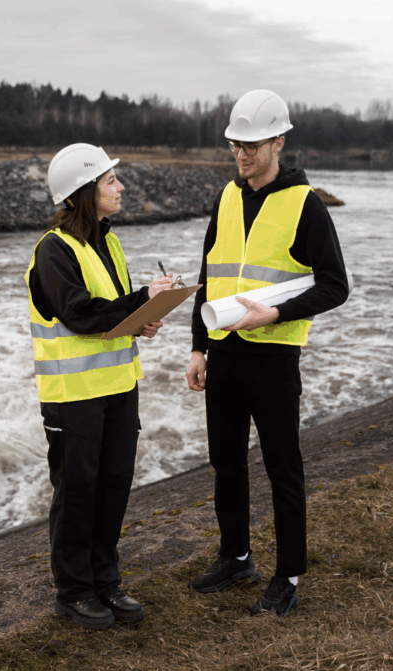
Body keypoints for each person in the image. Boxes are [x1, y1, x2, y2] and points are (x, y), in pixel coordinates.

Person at [184, 90, 349, 617]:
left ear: (279, 142)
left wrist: (276, 314)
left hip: (274, 359)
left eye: (252, 145)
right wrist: (197, 347)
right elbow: (209, 275)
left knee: (283, 468)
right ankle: (236, 556)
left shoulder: (306, 204)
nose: (242, 154)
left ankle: (289, 575)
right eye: (236, 144)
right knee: (226, 463)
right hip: (225, 355)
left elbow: (335, 285)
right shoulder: (226, 197)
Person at [26, 143, 173, 630]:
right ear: (84, 191)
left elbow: (113, 315)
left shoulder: (109, 243)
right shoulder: (53, 250)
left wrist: (143, 318)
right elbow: (79, 313)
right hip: (74, 397)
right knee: (77, 491)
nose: (120, 187)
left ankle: (105, 582)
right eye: (111, 181)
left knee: (113, 486)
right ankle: (73, 591)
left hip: (118, 387)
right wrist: (138, 301)